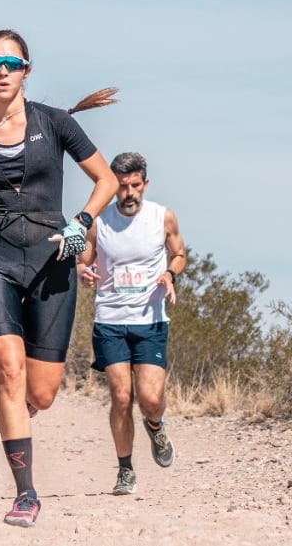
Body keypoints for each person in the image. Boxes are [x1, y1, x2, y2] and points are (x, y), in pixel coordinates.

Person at [0, 29, 119, 527]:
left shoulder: (55, 124)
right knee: (8, 370)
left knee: (42, 393)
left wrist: (81, 224)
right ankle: (26, 493)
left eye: (12, 63)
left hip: (54, 258)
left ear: (27, 70)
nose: (3, 71)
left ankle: (21, 415)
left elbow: (107, 181)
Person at [77, 152, 187, 496]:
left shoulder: (162, 217)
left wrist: (170, 274)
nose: (128, 192)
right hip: (110, 320)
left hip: (150, 320)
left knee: (151, 398)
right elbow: (83, 259)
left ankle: (155, 426)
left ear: (145, 184)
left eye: (134, 185)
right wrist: (83, 272)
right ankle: (125, 469)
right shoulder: (100, 221)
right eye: (122, 186)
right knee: (121, 396)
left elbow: (179, 253)